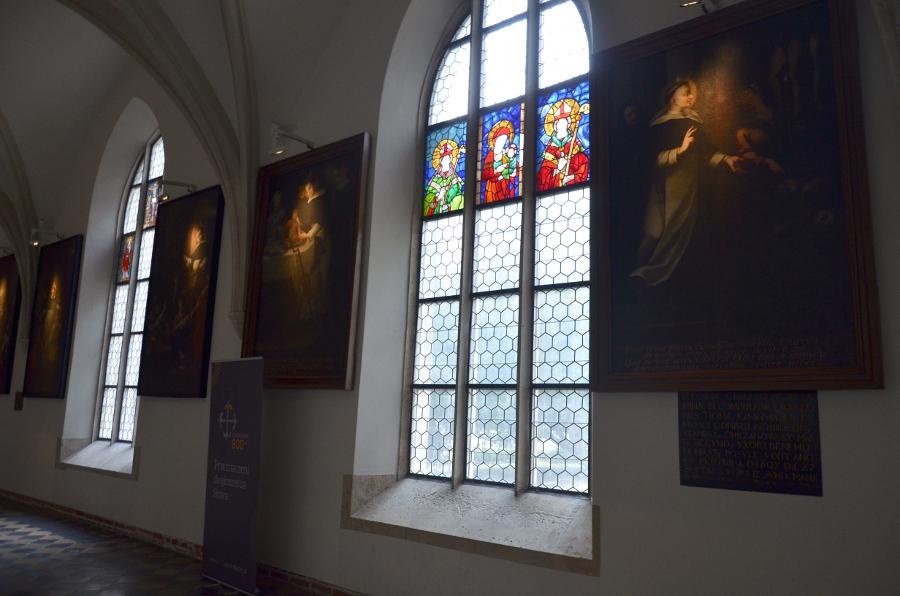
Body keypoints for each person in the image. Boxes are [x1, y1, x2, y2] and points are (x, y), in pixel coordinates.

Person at [630, 79, 742, 288]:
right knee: (653, 231)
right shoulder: (658, 125)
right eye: (685, 93)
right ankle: (641, 272)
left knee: (677, 228)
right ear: (673, 97)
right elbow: (652, 158)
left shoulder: (693, 121)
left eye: (690, 93)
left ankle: (652, 275)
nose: (690, 97)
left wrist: (727, 159)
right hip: (662, 181)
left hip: (686, 182)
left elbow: (705, 150)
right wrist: (680, 150)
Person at [537, 98, 589, 191]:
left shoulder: (575, 147)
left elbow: (583, 167)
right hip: (550, 195)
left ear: (569, 125)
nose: (561, 126)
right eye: (558, 123)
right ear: (554, 127)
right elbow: (541, 180)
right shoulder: (550, 151)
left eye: (564, 123)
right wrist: (558, 169)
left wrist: (571, 177)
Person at [424, 139, 465, 215]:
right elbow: (428, 199)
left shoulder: (454, 178)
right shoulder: (435, 179)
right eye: (444, 159)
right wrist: (439, 197)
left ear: (451, 159)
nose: (446, 160)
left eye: (449, 158)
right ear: (440, 161)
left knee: (460, 198)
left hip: (452, 211)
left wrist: (448, 204)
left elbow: (457, 193)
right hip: (437, 210)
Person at [482, 119, 518, 202]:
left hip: (505, 187)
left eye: (504, 140)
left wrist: (514, 171)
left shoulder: (505, 154)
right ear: (495, 141)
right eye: (500, 140)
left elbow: (514, 166)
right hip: (492, 188)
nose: (502, 143)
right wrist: (496, 170)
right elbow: (484, 175)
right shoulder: (490, 155)